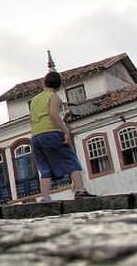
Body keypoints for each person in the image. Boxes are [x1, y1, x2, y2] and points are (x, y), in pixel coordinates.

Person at [29, 71, 95, 200]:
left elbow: (35, 118)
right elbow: (53, 115)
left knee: (44, 167)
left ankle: (45, 197)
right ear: (59, 86)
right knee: (71, 160)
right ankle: (79, 190)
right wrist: (65, 131)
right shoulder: (54, 97)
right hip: (51, 132)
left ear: (44, 83)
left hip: (36, 136)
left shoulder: (34, 100)